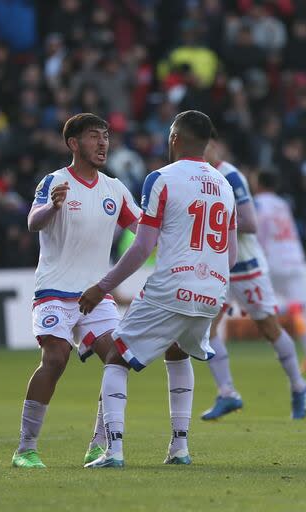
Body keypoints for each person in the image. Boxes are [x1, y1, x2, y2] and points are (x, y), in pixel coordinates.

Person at [78, 110, 238, 468]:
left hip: (173, 287)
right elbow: (232, 255)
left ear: (176, 139)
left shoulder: (161, 178)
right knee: (178, 351)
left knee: (117, 357)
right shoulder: (225, 185)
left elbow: (141, 246)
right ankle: (179, 448)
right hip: (212, 291)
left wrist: (101, 286)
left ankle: (113, 451)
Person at [12, 113, 141, 469]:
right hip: (54, 289)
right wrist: (51, 206)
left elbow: (144, 230)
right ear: (73, 144)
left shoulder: (115, 189)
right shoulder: (55, 181)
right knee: (55, 359)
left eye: (105, 137)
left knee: (118, 358)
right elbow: (32, 221)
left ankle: (99, 445)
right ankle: (25, 449)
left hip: (96, 294)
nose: (102, 144)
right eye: (93, 137)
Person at [200, 143, 306, 421]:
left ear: (216, 147)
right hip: (217, 267)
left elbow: (250, 224)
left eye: (205, 147)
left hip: (246, 265)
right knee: (206, 327)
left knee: (268, 328)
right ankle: (227, 393)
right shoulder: (196, 176)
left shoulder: (231, 176)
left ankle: (299, 386)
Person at [255, 170, 306, 370]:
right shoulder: (282, 204)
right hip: (294, 257)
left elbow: (261, 228)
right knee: (300, 309)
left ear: (258, 183)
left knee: (262, 305)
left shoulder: (258, 203)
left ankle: (282, 348)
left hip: (272, 259)